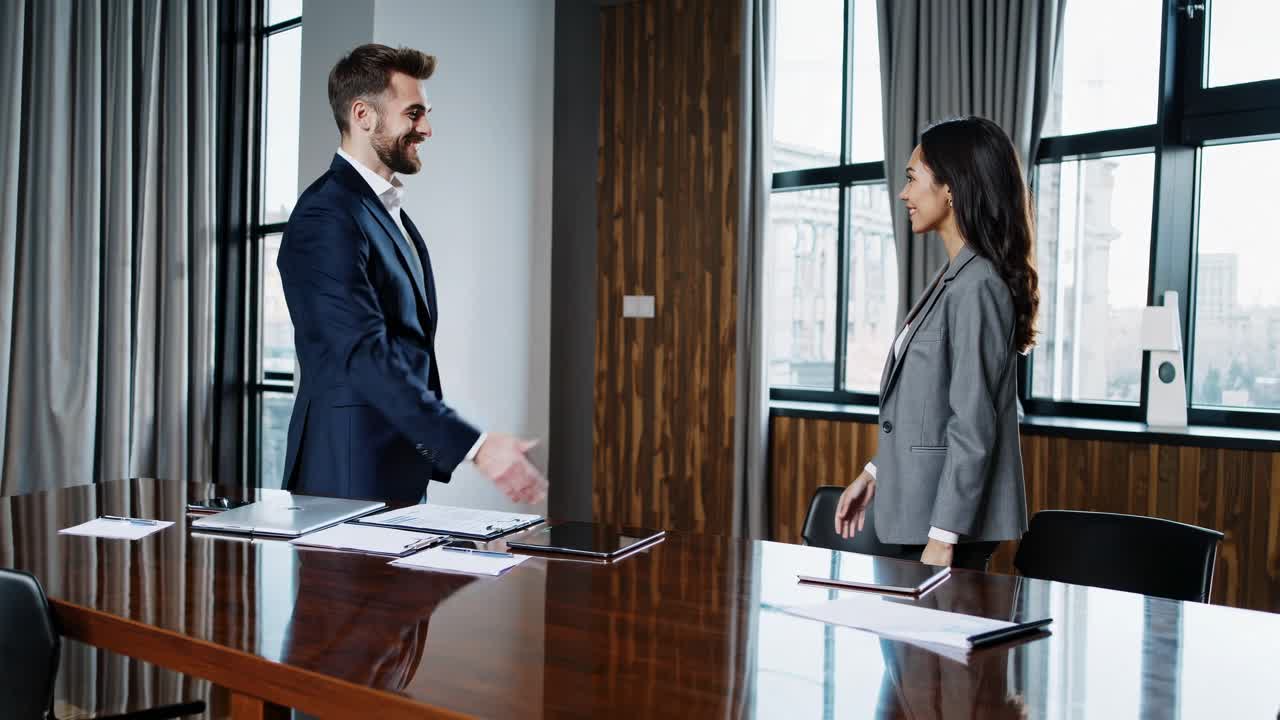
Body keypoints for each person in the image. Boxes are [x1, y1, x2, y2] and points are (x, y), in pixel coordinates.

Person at [277, 44, 547, 505]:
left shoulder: (383, 212)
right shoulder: (327, 213)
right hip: (346, 474)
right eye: (413, 113)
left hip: (393, 468)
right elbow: (361, 351)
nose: (426, 129)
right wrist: (476, 447)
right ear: (363, 115)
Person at [833, 116, 1038, 570]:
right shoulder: (955, 277)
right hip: (920, 515)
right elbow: (930, 411)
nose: (903, 194)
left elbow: (973, 422)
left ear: (951, 189)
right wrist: (875, 473)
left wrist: (944, 537)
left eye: (912, 179)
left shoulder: (978, 285)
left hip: (944, 529)